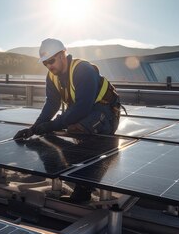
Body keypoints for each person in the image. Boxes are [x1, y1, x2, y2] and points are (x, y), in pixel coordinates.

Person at [13, 38, 121, 203]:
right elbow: (51, 104)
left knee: (76, 128)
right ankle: (70, 171)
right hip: (86, 113)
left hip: (106, 114)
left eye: (51, 61)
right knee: (63, 128)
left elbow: (81, 108)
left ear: (63, 55)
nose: (49, 66)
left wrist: (51, 125)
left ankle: (85, 188)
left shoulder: (82, 69)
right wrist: (34, 129)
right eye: (45, 63)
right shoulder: (52, 76)